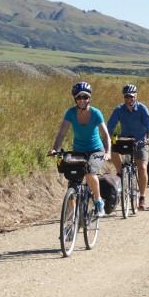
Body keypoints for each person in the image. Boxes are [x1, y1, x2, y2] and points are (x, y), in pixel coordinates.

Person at [48, 82, 111, 217]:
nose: (82, 100)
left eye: (85, 97)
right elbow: (61, 134)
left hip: (96, 151)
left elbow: (105, 135)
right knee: (73, 184)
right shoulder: (70, 113)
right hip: (79, 152)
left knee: (89, 171)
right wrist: (54, 150)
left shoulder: (96, 113)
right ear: (75, 99)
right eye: (79, 97)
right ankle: (70, 222)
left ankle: (99, 201)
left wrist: (107, 152)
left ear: (89, 98)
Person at [107, 84, 149, 210]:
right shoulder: (119, 109)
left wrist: (148, 138)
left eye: (132, 96)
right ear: (124, 97)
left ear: (136, 96)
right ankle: (119, 172)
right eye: (127, 96)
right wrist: (107, 138)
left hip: (140, 141)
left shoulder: (142, 109)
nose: (129, 99)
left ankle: (142, 196)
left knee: (142, 167)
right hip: (125, 140)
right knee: (111, 148)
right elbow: (110, 126)